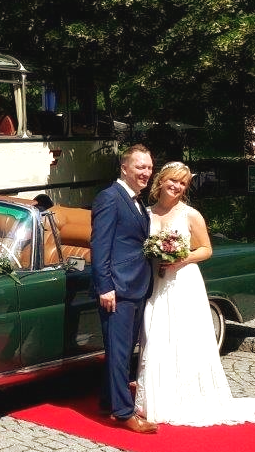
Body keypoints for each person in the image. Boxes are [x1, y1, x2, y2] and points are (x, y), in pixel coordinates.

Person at [135, 161, 255, 425]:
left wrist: (181, 258)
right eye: (172, 180)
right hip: (156, 283)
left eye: (182, 183)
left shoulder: (190, 215)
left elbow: (206, 249)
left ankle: (186, 397)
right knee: (156, 336)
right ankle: (155, 398)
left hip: (184, 282)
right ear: (161, 180)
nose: (176, 187)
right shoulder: (146, 213)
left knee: (185, 338)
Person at [91, 144, 158, 433]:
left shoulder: (136, 201)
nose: (146, 172)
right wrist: (105, 286)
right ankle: (123, 412)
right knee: (118, 353)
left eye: (149, 168)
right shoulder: (110, 198)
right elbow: (99, 245)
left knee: (124, 350)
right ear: (125, 168)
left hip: (137, 286)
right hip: (117, 289)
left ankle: (108, 399)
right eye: (140, 167)